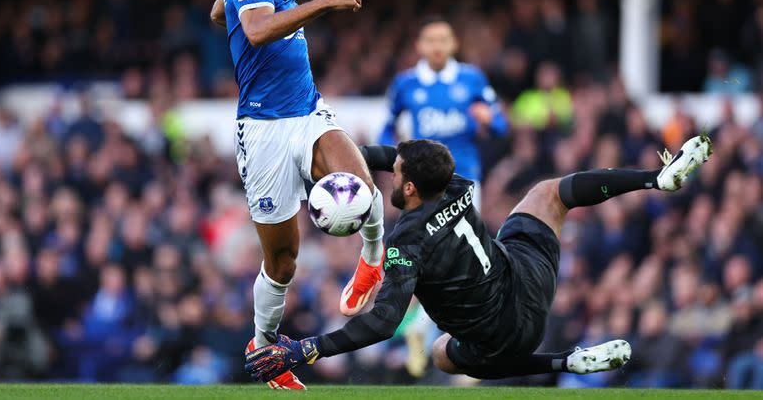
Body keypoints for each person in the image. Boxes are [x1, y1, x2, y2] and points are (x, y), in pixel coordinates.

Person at [245, 134, 713, 384]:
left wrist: (309, 348)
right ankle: (655, 178)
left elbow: (384, 323)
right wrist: (339, 161)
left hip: (506, 338)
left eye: (398, 173)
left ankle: (564, 363)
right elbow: (394, 156)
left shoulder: (406, 244)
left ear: (408, 187)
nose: (393, 170)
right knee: (550, 192)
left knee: (442, 356)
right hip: (530, 276)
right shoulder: (458, 186)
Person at [209, 0, 385, 389]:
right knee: (282, 261)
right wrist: (327, 1)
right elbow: (259, 30)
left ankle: (371, 263)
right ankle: (265, 348)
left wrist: (227, 11)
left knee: (361, 186)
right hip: (262, 131)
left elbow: (224, 13)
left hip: (306, 111)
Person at [380, 16, 508, 208]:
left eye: (443, 40)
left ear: (454, 43)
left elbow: (501, 126)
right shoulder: (405, 83)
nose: (437, 47)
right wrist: (397, 160)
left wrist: (489, 120)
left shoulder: (472, 78)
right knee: (424, 238)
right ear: (419, 46)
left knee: (465, 238)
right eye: (431, 41)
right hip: (421, 182)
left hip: (465, 177)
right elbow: (386, 129)